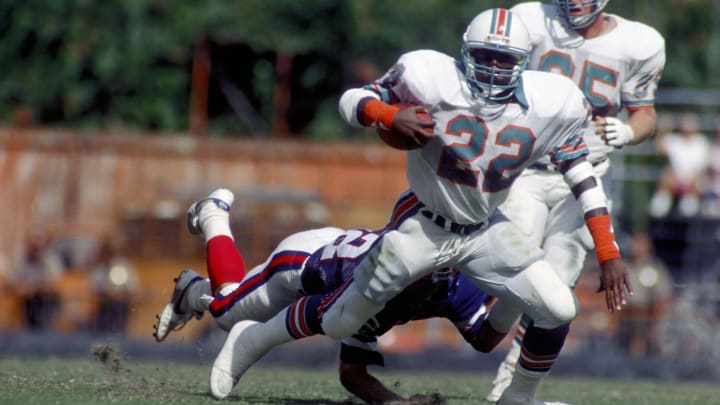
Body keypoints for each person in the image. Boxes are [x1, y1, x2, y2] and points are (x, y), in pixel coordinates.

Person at [198, 9, 631, 405]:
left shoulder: (552, 102)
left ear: (523, 61)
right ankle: (252, 339)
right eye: (485, 56)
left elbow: (583, 176)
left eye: (505, 60)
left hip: (486, 230)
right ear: (465, 53)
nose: (494, 68)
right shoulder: (431, 75)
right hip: (424, 224)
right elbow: (352, 101)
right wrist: (390, 115)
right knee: (339, 323)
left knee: (559, 307)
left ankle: (517, 398)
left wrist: (608, 253)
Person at [484, 1, 665, 400]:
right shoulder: (531, 20)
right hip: (526, 171)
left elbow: (645, 115)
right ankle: (478, 329)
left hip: (585, 177)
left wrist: (628, 131)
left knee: (556, 284)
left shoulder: (640, 43)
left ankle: (511, 387)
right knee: (515, 265)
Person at [154, 196, 491, 404]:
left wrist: (395, 402)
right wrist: (259, 339)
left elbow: (352, 373)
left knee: (226, 304)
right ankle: (213, 215)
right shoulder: (377, 278)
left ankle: (193, 291)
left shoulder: (458, 286)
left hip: (337, 263)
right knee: (227, 313)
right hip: (302, 264)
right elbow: (315, 313)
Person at [649, 113, 710, 218]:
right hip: (674, 179)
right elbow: (659, 148)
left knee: (696, 181)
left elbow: (704, 167)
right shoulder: (674, 140)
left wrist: (691, 178)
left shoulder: (701, 142)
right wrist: (663, 129)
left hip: (694, 181)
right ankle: (662, 203)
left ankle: (689, 203)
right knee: (666, 175)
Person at [10, 231, 64, 330]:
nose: (34, 250)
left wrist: (33, 287)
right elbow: (13, 280)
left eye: (37, 248)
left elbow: (53, 284)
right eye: (32, 247)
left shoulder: (50, 260)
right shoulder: (21, 260)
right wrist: (21, 287)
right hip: (26, 301)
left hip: (47, 301)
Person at [88, 237, 140, 334]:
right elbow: (93, 290)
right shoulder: (98, 269)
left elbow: (133, 289)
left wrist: (120, 294)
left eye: (109, 253)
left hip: (120, 306)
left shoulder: (124, 267)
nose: (107, 256)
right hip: (103, 307)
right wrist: (106, 293)